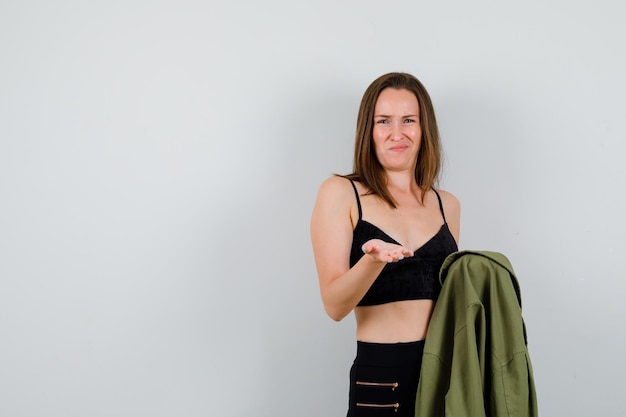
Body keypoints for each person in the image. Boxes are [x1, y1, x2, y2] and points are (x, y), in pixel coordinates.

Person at [310, 72, 461, 416]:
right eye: (384, 121)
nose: (397, 133)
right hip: (382, 379)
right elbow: (334, 306)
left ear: (424, 129)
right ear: (369, 130)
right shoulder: (341, 193)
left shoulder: (447, 205)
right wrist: (372, 261)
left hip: (443, 374)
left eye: (409, 120)